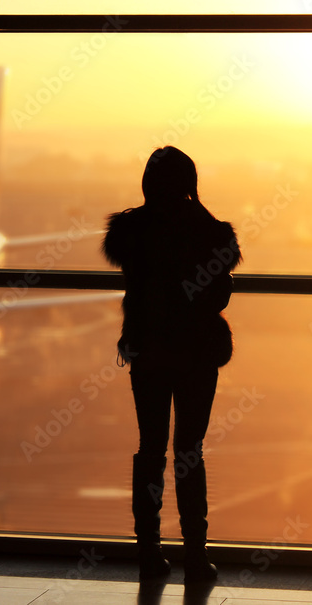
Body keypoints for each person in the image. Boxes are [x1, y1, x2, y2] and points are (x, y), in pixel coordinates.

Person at [102, 146, 241, 582]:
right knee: (189, 451)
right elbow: (217, 294)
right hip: (196, 352)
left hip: (148, 350)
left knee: (150, 448)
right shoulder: (209, 231)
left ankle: (149, 552)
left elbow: (138, 284)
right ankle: (195, 555)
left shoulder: (132, 231)